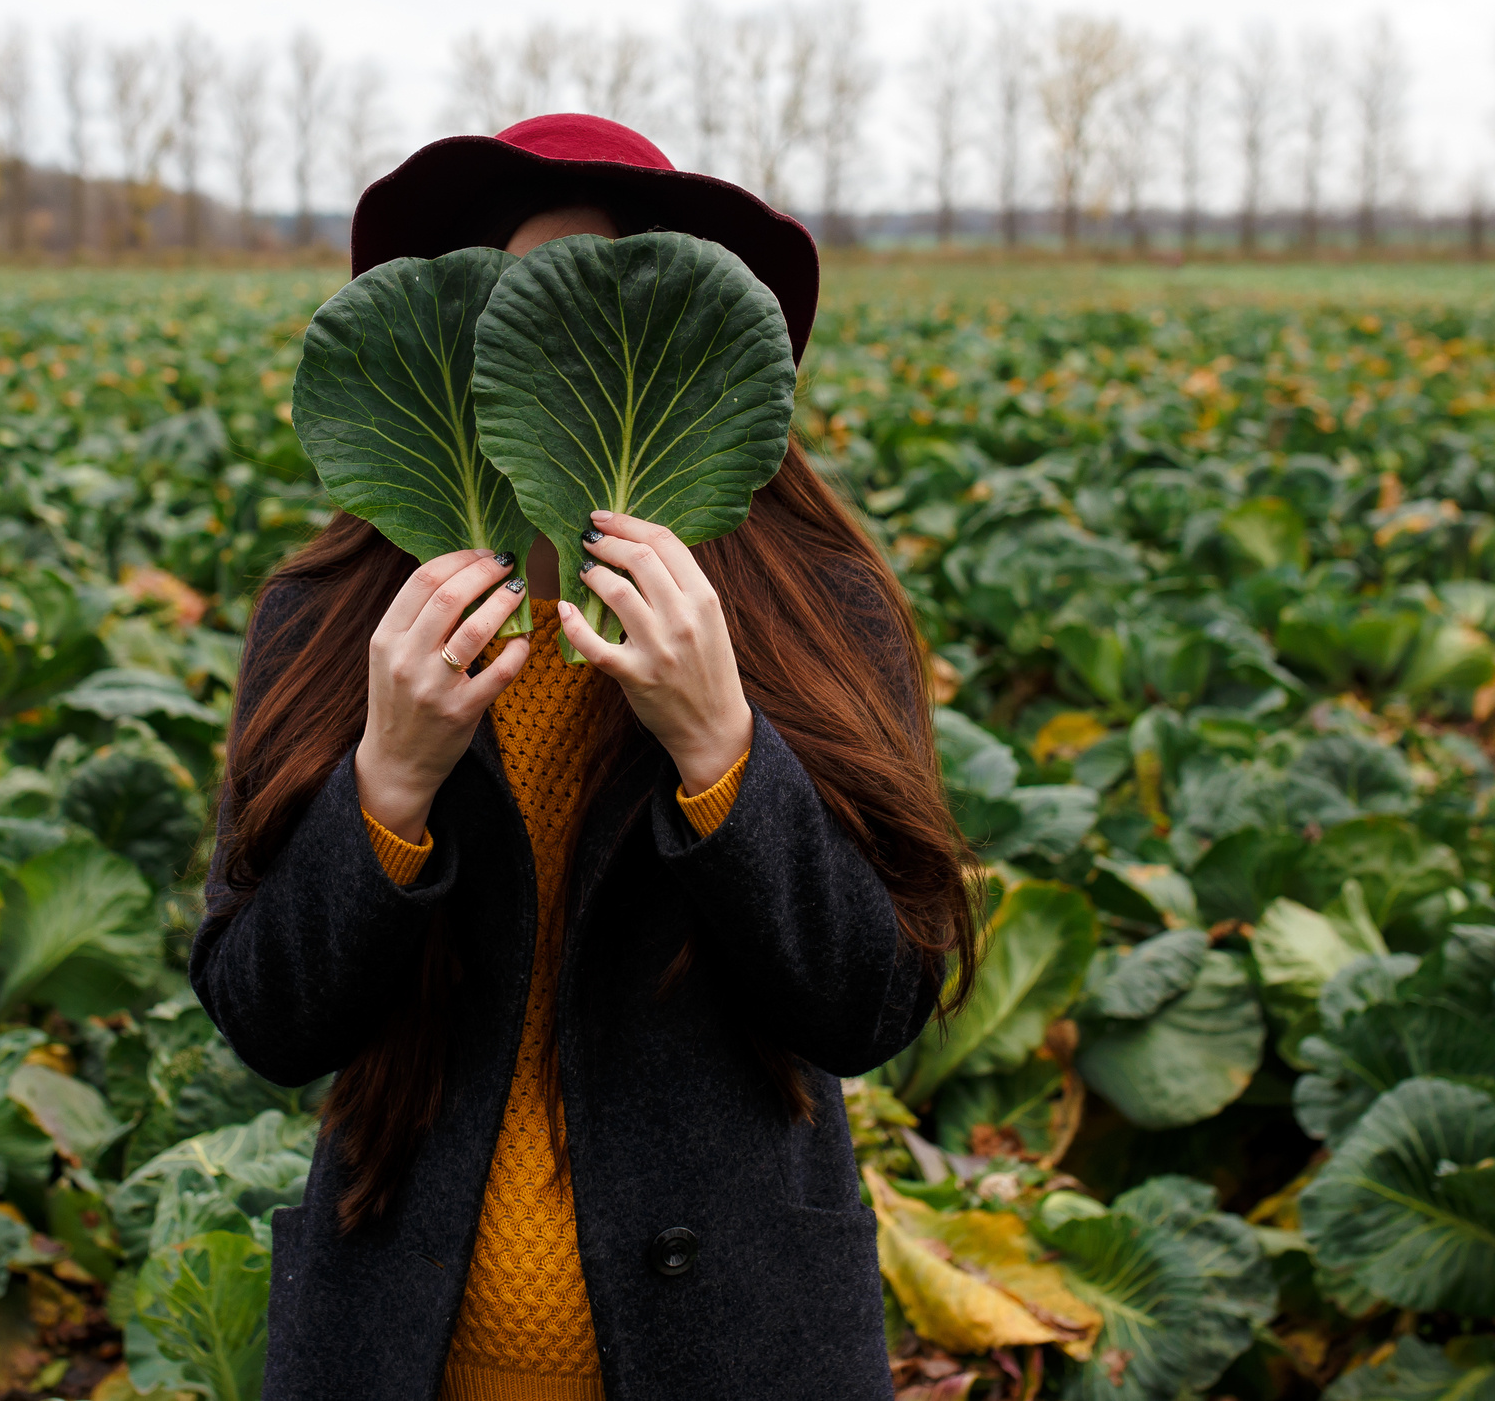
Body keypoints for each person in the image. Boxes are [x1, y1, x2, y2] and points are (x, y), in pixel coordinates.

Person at [192, 114, 977, 1401]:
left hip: (732, 1355)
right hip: (402, 1354)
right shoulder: (339, 624)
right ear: (453, 353)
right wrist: (386, 783)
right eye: (517, 310)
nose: (561, 361)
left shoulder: (812, 611)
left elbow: (869, 1006)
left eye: (607, 313)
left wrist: (722, 746)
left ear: (686, 357)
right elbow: (268, 1022)